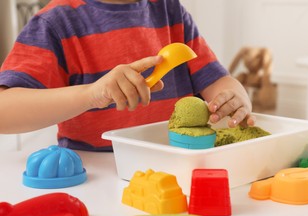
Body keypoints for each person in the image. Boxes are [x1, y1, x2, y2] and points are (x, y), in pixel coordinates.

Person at [0, 0, 254, 151]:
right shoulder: (55, 22)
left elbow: (215, 80)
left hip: (177, 160)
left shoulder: (169, 10)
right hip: (97, 175)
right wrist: (90, 95)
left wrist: (235, 97)